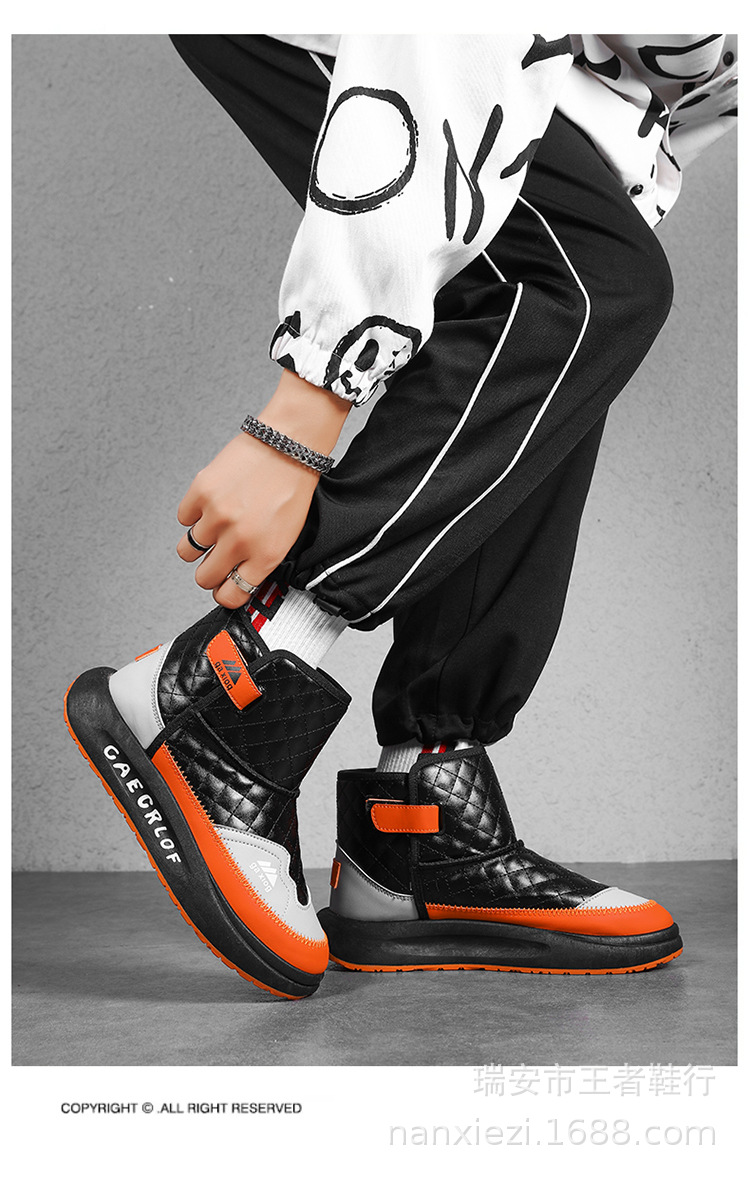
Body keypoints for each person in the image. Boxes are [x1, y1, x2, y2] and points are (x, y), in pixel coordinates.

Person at [64, 34, 736, 999]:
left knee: (568, 309)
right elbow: (445, 33)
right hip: (410, 30)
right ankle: (232, 686)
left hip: (512, 64)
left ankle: (422, 825)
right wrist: (304, 409)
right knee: (586, 285)